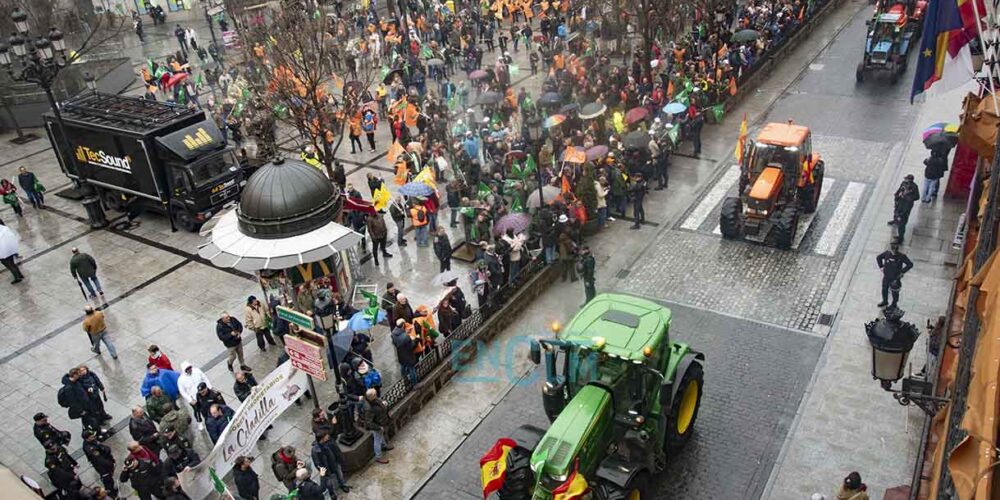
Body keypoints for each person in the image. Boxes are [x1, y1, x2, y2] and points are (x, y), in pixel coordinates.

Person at [58, 367, 105, 436]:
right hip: (82, 408)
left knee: (86, 421)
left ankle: (89, 432)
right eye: (78, 374)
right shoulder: (69, 388)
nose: (80, 375)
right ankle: (97, 432)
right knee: (91, 419)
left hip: (86, 405)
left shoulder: (76, 382)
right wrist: (81, 411)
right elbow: (72, 402)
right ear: (74, 375)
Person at [310, 431, 351, 495]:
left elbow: (337, 450)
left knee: (340, 475)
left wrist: (341, 459)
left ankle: (342, 485)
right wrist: (323, 470)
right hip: (328, 468)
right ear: (322, 439)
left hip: (335, 463)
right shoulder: (315, 450)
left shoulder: (330, 441)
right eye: (326, 436)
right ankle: (332, 492)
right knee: (331, 481)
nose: (328, 436)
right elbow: (317, 462)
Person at [876, 241, 913, 308]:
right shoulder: (887, 254)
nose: (893, 252)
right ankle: (885, 301)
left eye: (895, 250)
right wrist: (881, 267)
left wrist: (902, 272)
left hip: (895, 278)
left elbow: (910, 264)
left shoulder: (902, 256)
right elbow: (878, 257)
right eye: (893, 250)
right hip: (886, 277)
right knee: (884, 289)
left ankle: (894, 304)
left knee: (895, 292)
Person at [82, 429, 117, 497]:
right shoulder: (90, 448)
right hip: (102, 466)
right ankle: (111, 493)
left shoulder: (93, 441)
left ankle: (112, 489)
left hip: (106, 459)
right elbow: (100, 460)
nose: (94, 437)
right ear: (87, 439)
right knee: (107, 479)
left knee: (110, 479)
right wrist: (110, 464)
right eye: (92, 436)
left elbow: (101, 446)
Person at [362, 388, 393, 464]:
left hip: (381, 422)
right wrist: (378, 427)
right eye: (375, 394)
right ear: (372, 396)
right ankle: (378, 456)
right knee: (377, 439)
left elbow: (379, 404)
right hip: (378, 425)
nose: (376, 395)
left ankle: (384, 445)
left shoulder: (373, 401)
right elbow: (369, 422)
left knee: (380, 436)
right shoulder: (369, 408)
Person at [177, 361, 211, 429]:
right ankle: (199, 422)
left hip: (203, 394)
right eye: (188, 369)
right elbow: (182, 392)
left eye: (190, 368)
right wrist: (190, 400)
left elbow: (204, 378)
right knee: (197, 411)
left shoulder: (197, 371)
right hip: (194, 398)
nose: (190, 369)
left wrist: (209, 387)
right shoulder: (181, 380)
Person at [889, 174, 920, 244]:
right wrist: (897, 195)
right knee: (896, 212)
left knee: (902, 223)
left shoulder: (914, 187)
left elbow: (917, 197)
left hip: (906, 205)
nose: (905, 180)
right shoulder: (904, 183)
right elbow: (899, 189)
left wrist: (907, 197)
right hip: (899, 202)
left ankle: (900, 238)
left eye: (907, 179)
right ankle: (895, 220)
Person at [391, 319, 418, 385]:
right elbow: (411, 346)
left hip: (400, 354)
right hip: (408, 355)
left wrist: (406, 332)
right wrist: (416, 340)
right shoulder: (406, 336)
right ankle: (415, 384)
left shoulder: (393, 333)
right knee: (411, 369)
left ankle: (405, 380)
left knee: (403, 366)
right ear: (403, 325)